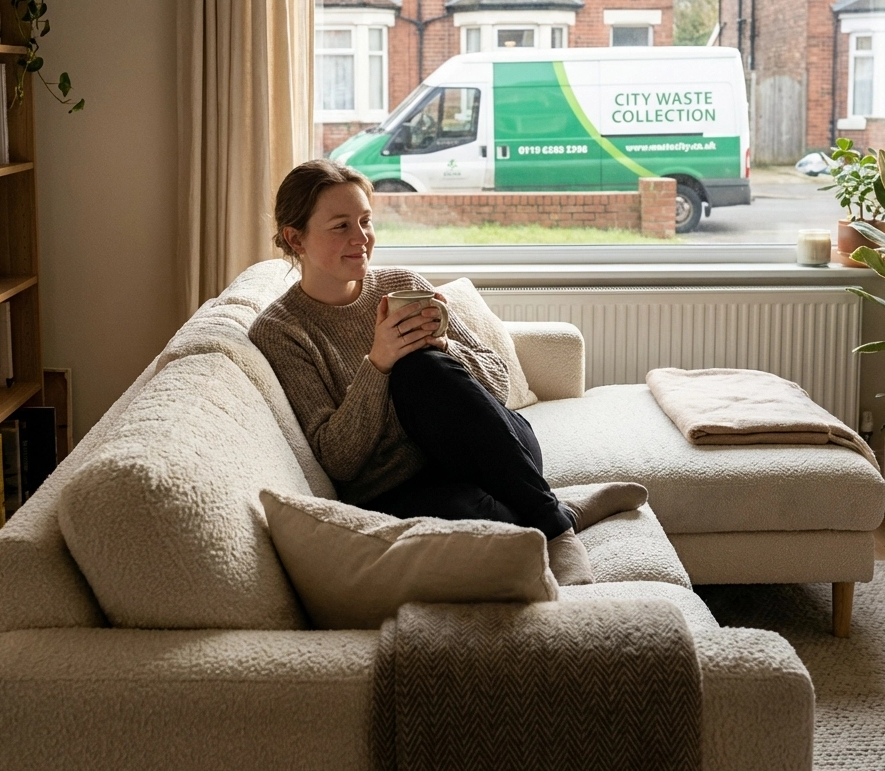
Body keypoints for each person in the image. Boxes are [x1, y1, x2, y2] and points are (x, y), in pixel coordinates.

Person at [250, 159, 643, 585]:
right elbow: (339, 461)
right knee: (479, 518)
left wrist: (446, 347)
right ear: (295, 238)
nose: (361, 238)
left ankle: (557, 531)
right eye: (341, 225)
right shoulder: (281, 331)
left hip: (494, 447)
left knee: (420, 369)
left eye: (365, 221)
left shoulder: (401, 284)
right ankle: (562, 509)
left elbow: (499, 382)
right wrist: (378, 363)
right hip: (401, 488)